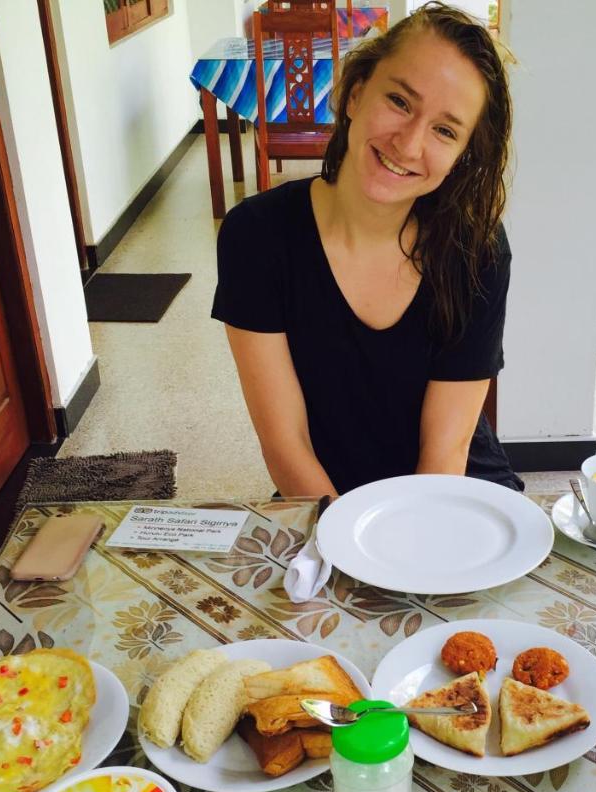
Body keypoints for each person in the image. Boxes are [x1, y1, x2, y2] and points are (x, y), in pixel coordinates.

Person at [212, 2, 521, 498]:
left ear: (463, 157)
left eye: (445, 130)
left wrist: (402, 564)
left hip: (451, 494)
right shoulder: (257, 236)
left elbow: (446, 454)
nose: (409, 143)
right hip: (322, 498)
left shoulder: (476, 251)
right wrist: (348, 549)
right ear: (356, 94)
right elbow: (284, 442)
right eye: (399, 101)